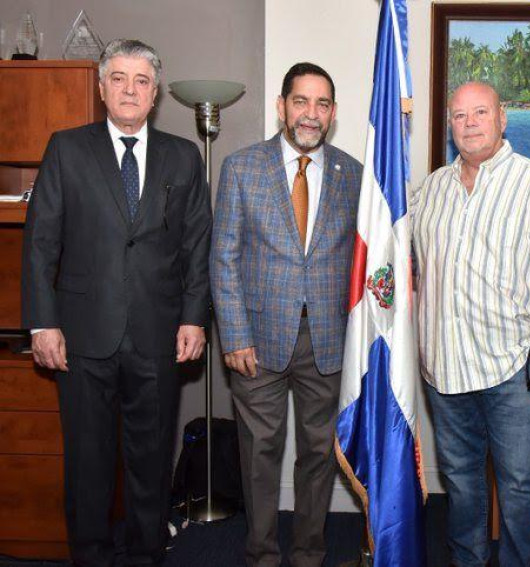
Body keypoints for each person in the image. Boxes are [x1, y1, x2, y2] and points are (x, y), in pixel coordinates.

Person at [21, 39, 211, 566]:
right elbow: (40, 243)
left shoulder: (183, 155)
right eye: (120, 79)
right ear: (103, 89)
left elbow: (199, 244)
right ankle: (91, 557)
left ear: (155, 95)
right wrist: (42, 324)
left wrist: (196, 316)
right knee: (88, 463)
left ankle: (149, 555)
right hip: (81, 337)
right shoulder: (66, 148)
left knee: (150, 464)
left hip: (158, 335)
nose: (131, 89)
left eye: (142, 81)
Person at [412, 82, 530, 567]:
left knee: (520, 490)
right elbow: (415, 270)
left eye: (480, 112)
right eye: (459, 115)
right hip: (444, 371)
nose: (469, 122)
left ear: (502, 118)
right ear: (450, 124)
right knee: (461, 485)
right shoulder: (431, 189)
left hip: (513, 370)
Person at [210, 62, 362, 567]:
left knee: (319, 456)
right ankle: (262, 555)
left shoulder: (353, 175)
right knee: (260, 455)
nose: (310, 114)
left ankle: (309, 554)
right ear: (282, 106)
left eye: (322, 104)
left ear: (333, 113)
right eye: (301, 101)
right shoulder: (241, 168)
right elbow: (224, 256)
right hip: (256, 340)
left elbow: (366, 263)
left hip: (328, 341)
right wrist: (233, 336)